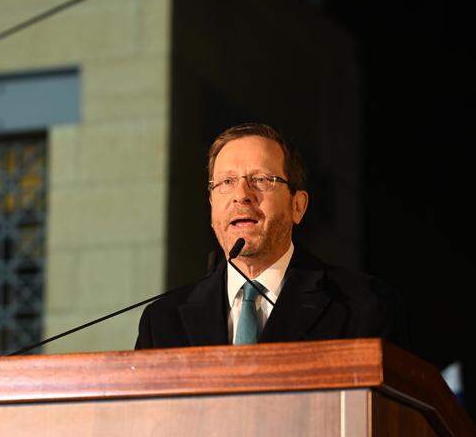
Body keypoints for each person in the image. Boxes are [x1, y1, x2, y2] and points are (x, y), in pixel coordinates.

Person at [135, 123, 408, 349]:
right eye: (226, 182)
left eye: (262, 180)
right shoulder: (162, 323)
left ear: (297, 206)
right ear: (211, 205)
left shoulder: (364, 307)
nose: (241, 195)